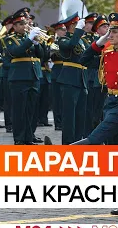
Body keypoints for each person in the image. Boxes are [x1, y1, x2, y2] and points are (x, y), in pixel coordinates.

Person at [71, 13, 118, 216]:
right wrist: (99, 43)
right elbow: (84, 59)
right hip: (109, 102)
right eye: (109, 31)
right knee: (116, 154)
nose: (110, 34)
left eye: (115, 31)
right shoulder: (107, 53)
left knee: (95, 138)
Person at [5, 9, 49, 145]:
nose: (25, 26)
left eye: (25, 23)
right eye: (21, 24)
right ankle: (19, 139)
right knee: (19, 110)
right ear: (14, 26)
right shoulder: (10, 39)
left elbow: (41, 56)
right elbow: (16, 52)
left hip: (34, 76)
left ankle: (29, 137)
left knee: (31, 110)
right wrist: (30, 40)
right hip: (19, 78)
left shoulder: (29, 38)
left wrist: (36, 44)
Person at [55, 13, 88, 145]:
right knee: (69, 115)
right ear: (73, 26)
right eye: (78, 24)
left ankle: (78, 142)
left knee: (80, 115)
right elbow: (71, 44)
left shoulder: (81, 40)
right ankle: (68, 144)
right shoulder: (63, 39)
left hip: (81, 79)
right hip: (69, 79)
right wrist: (79, 30)